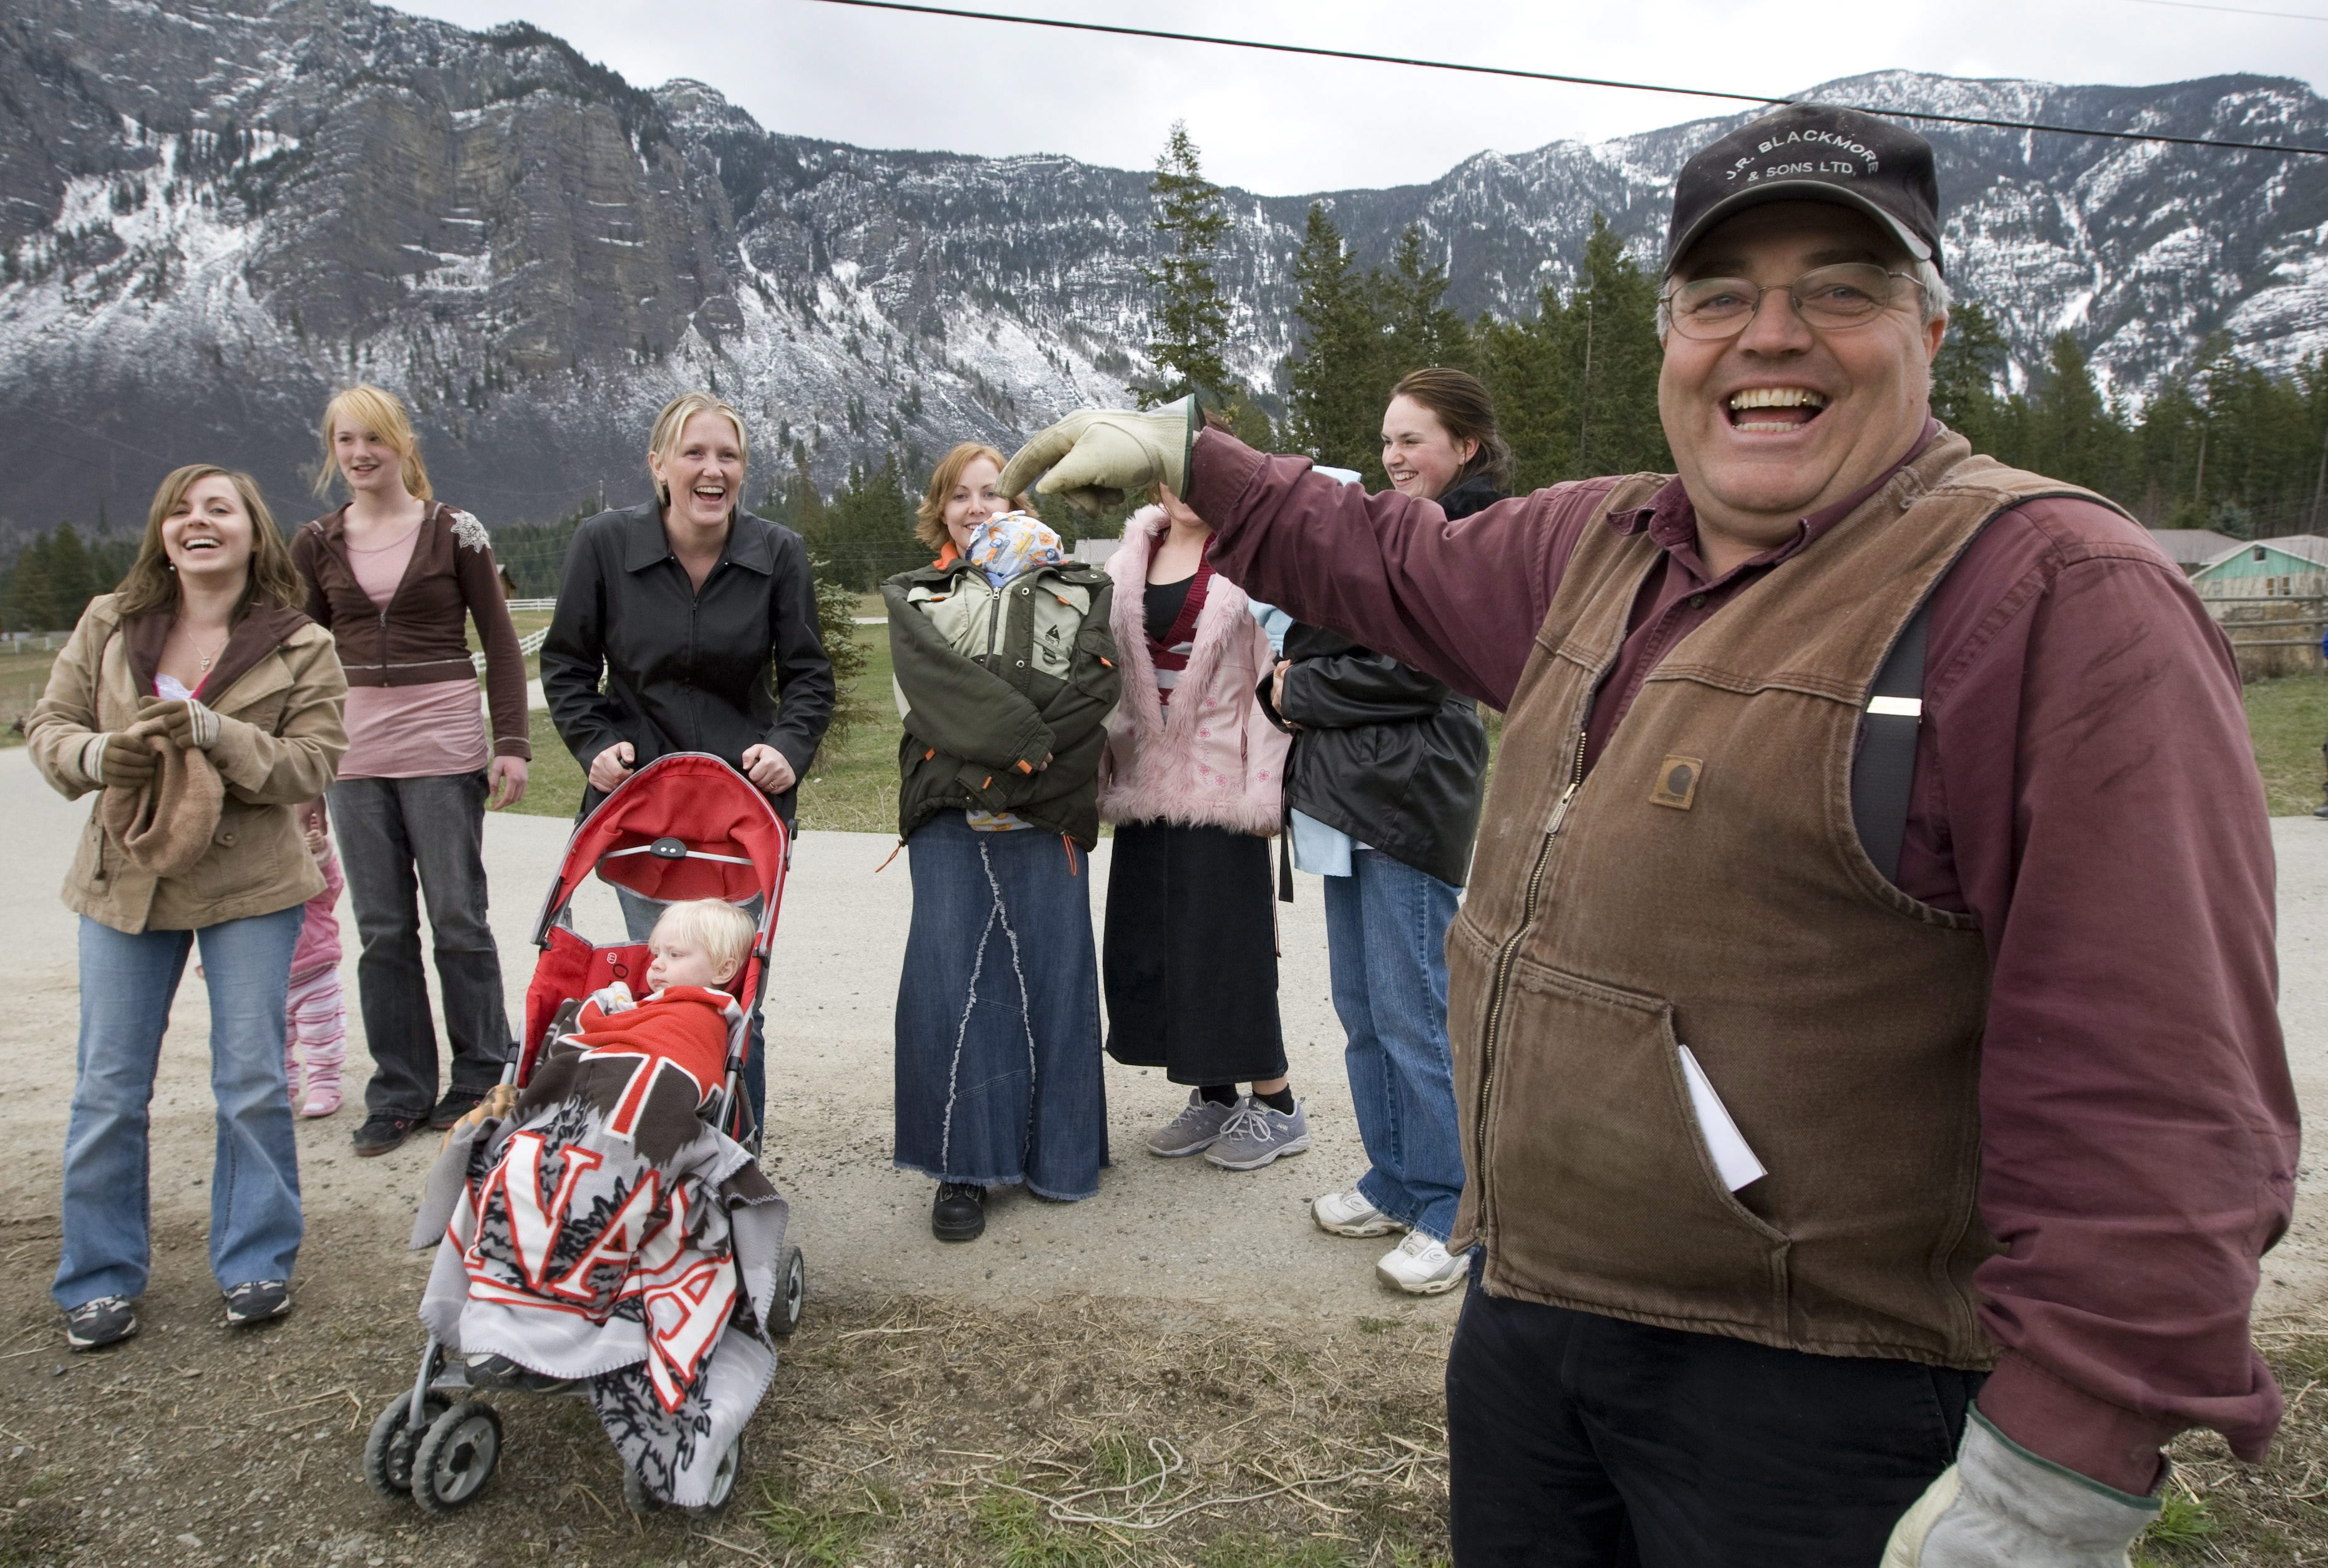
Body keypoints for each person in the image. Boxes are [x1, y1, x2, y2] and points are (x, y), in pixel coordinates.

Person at [999, 104, 2296, 1568]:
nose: (1771, 337)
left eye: (1840, 292)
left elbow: (2164, 1093)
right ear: (1672, 331)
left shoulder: (2057, 596)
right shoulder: (1600, 545)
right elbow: (1388, 558)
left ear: (1932, 329)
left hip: (1830, 1395)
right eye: (1721, 296)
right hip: (1535, 1325)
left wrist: (2060, 1473)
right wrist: (1202, 465)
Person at [29, 464, 349, 1350]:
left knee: (250, 1078)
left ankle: (255, 1261)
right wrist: (100, 757)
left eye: (220, 508)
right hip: (125, 876)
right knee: (108, 1083)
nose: (197, 520)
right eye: (182, 508)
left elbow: (314, 762)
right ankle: (98, 1275)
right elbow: (48, 728)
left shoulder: (299, 643)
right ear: (161, 532)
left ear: (253, 532)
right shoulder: (110, 620)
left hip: (251, 880)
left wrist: (221, 735)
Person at [541, 391, 835, 1137]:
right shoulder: (604, 545)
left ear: (743, 471)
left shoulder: (777, 553)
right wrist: (592, 743)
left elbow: (808, 676)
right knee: (665, 987)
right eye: (695, 454)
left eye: (728, 456)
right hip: (645, 818)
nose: (713, 470)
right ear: (659, 466)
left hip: (743, 819)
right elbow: (567, 665)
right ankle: (655, 1156)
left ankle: (738, 1159)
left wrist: (789, 749)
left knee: (737, 999)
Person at [1264, 367, 1500, 1297]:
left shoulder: (1470, 536)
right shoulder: (1386, 537)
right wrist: (1285, 683)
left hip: (1407, 801)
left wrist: (1298, 690)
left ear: (1466, 448)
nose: (1396, 456)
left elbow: (1422, 668)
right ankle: (1396, 1176)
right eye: (1389, 440)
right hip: (1346, 798)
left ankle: (1452, 1210)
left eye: (1416, 439)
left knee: (1417, 1015)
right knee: (1364, 1009)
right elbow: (1301, 643)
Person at [885, 443, 1120, 1242]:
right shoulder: (918, 596)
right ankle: (964, 1168)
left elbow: (1090, 694)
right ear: (940, 510)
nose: (980, 507)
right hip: (950, 812)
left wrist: (1013, 772)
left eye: (995, 493)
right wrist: (1015, 755)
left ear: (1022, 504)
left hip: (1046, 808)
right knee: (955, 982)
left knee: (1052, 978)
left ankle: (1062, 1155)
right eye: (963, 495)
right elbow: (935, 703)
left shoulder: (1081, 589)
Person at [291, 384, 531, 1158]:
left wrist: (512, 742)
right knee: (383, 928)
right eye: (346, 442)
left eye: (376, 439)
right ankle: (398, 1091)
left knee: (458, 919)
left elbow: (498, 641)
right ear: (334, 452)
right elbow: (300, 663)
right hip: (353, 758)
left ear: (404, 445)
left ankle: (480, 1077)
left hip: (443, 747)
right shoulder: (316, 543)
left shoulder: (453, 532)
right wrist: (304, 770)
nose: (361, 454)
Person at [1096, 484, 1297, 1168]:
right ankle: (1212, 1094)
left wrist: (1263, 791)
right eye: (1174, 473)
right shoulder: (1129, 558)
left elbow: (1274, 680)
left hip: (1223, 780)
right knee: (1156, 942)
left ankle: (1276, 1102)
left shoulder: (1251, 556)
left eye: (1201, 472)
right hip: (1147, 779)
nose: (1186, 490)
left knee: (1226, 943)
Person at [283, 796, 348, 1118]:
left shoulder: (309, 867)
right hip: (270, 977)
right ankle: (283, 1085)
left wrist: (321, 855)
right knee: (272, 1040)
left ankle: (325, 1083)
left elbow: (331, 888)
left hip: (315, 973)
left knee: (322, 1037)